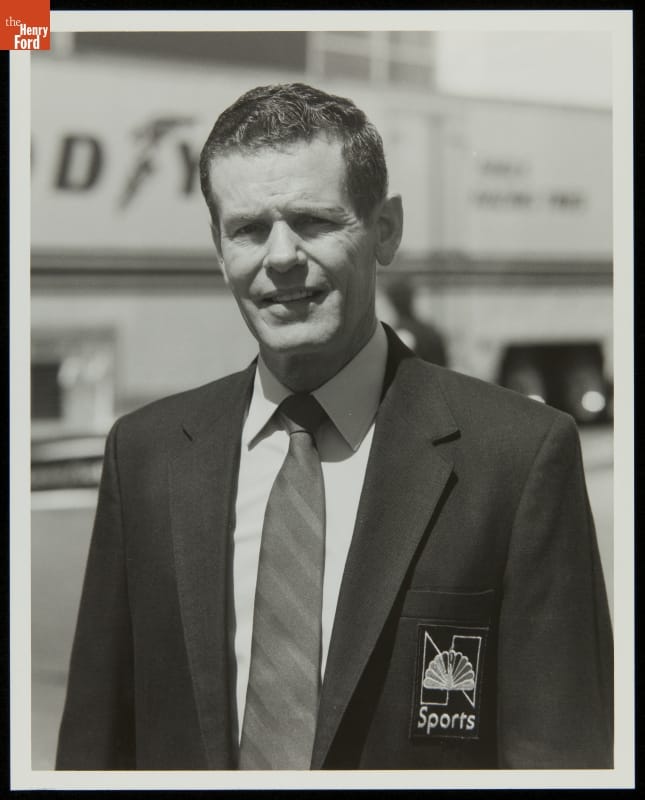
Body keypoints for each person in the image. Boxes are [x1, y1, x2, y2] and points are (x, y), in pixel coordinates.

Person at [56, 83, 612, 771]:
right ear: (218, 248)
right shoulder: (145, 456)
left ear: (386, 230)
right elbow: (95, 750)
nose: (281, 257)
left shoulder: (519, 458)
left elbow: (559, 756)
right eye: (248, 229)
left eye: (314, 221)